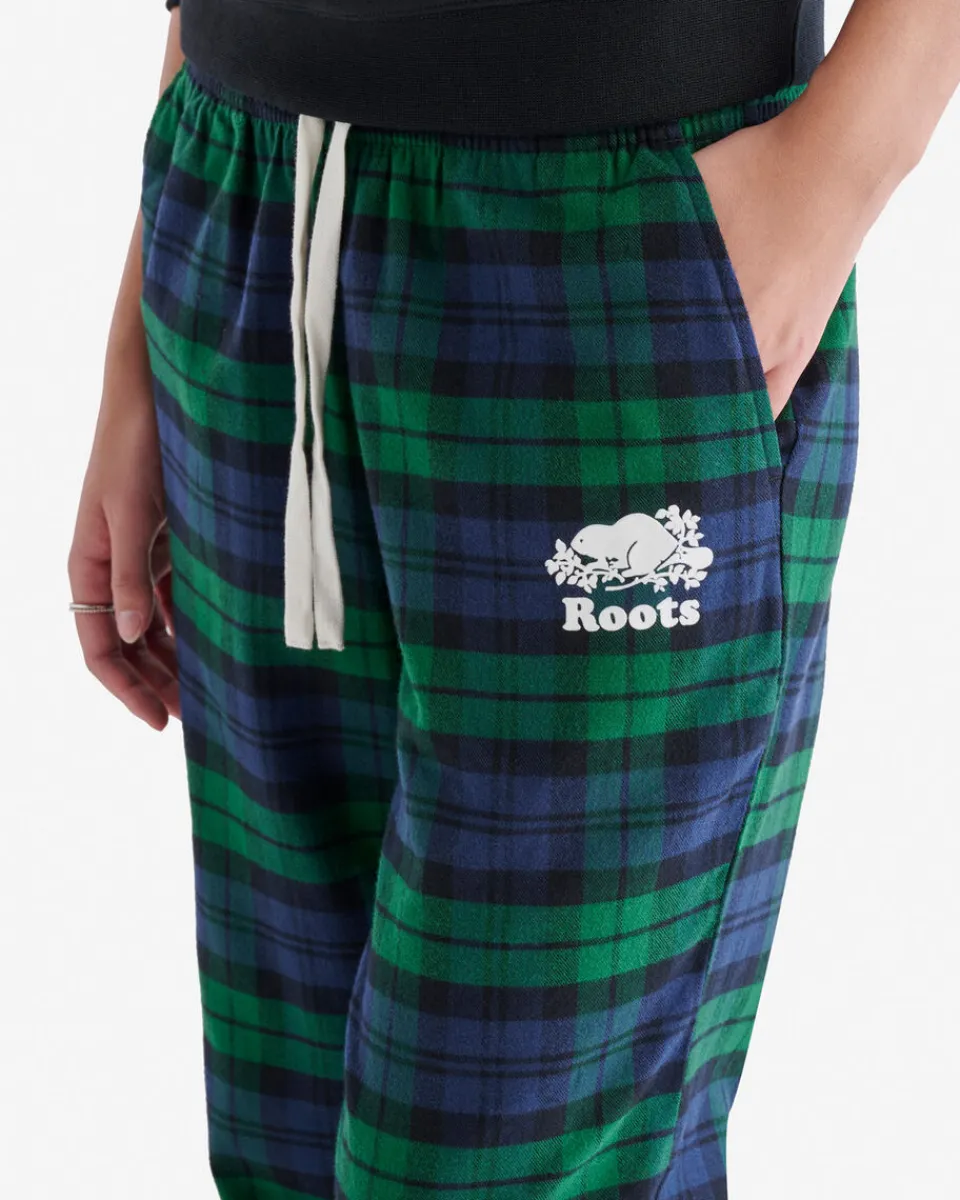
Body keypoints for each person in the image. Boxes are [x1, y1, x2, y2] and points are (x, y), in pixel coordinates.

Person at [68, 2, 959, 1197]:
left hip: (613, 234)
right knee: (285, 1142)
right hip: (246, 207)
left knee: (498, 1160)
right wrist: (138, 316)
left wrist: (833, 178)